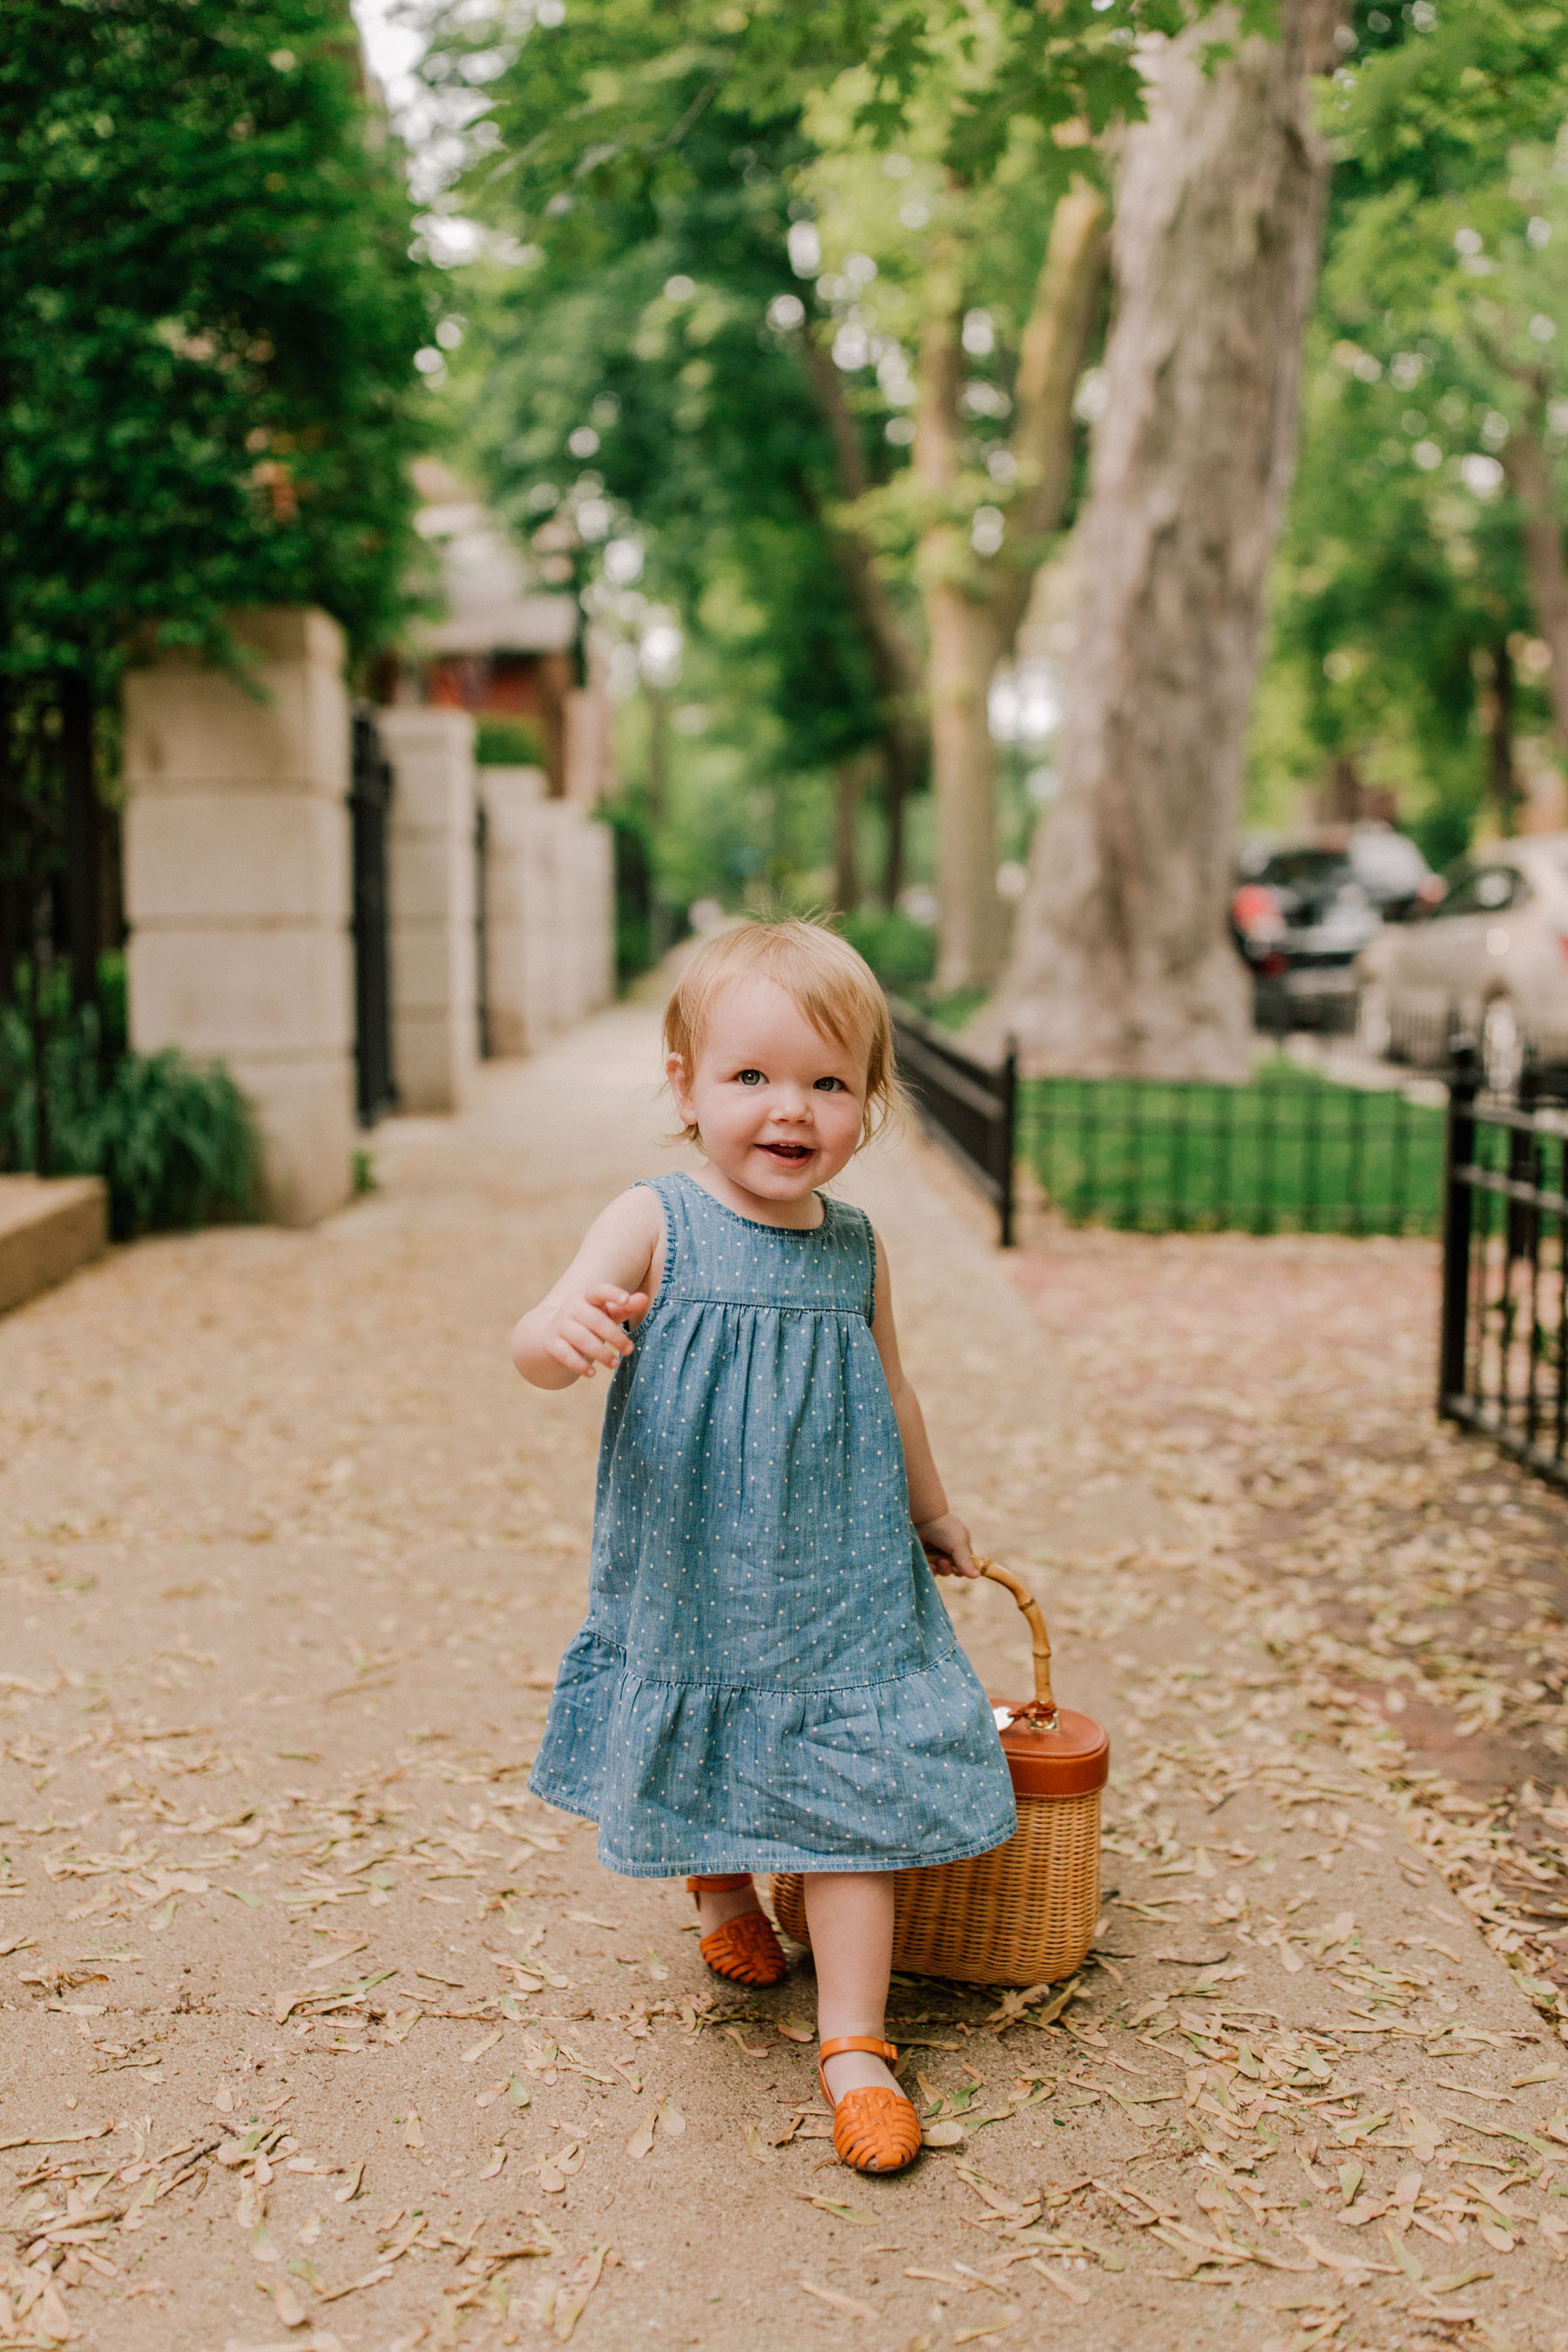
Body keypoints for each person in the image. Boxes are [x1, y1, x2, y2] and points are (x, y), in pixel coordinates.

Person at [510, 918, 1015, 2173]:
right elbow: (537, 1335)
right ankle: (722, 1886)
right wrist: (560, 1329)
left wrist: (932, 1509)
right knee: (719, 1721)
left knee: (851, 1792)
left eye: (828, 1082)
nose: (790, 1109)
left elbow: (894, 1391)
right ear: (684, 1088)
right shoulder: (655, 1219)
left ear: (867, 1104)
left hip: (841, 1571)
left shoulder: (855, 1249)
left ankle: (855, 2044)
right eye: (752, 1077)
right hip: (696, 1556)